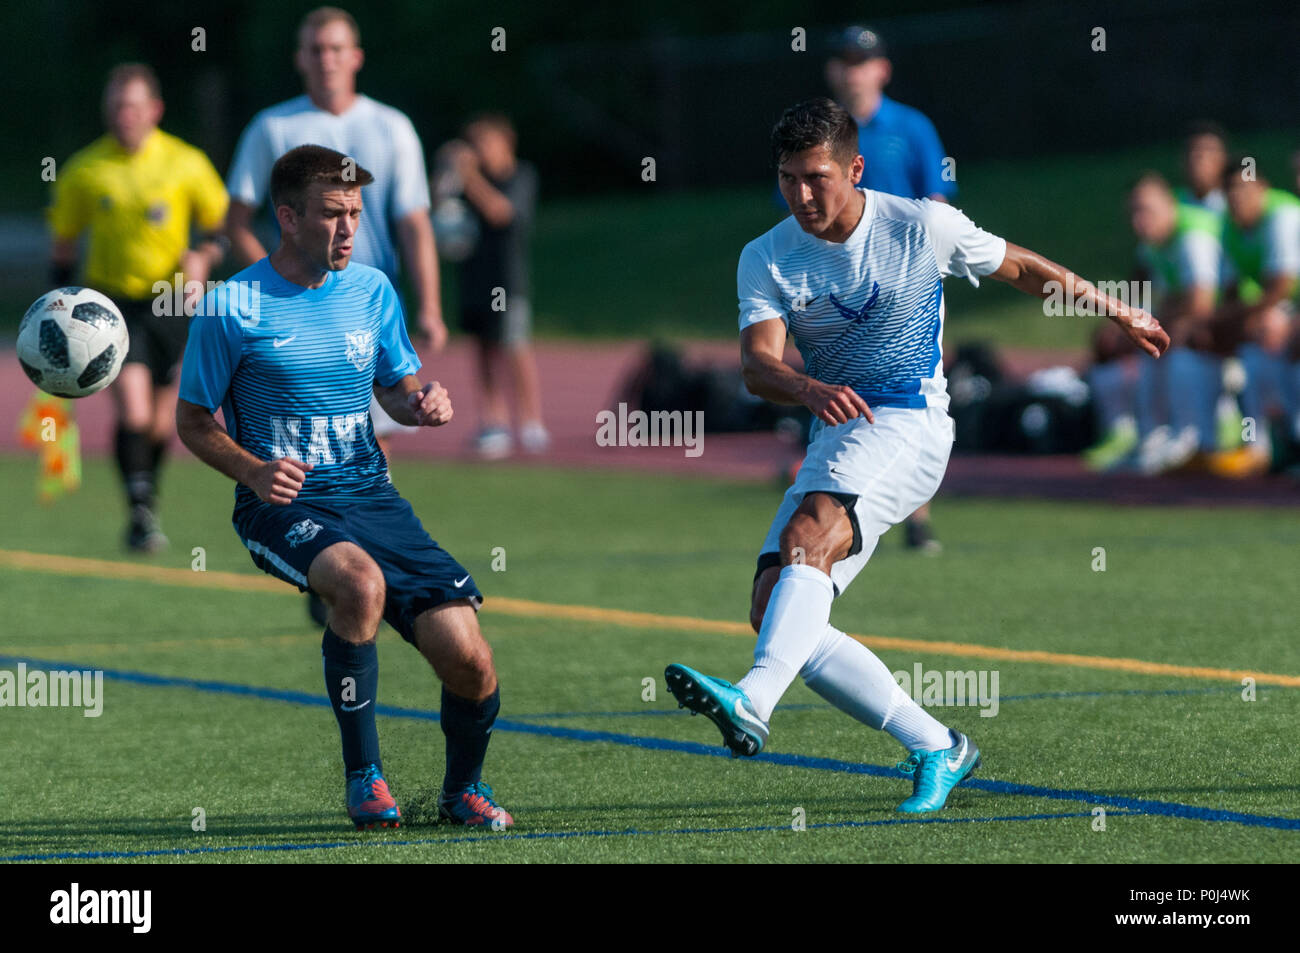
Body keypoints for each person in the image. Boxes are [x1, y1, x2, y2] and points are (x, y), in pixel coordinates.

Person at [665, 99, 1168, 814]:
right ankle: (938, 744)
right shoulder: (767, 254)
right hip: (837, 431)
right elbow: (756, 366)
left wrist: (1115, 308)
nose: (802, 195)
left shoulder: (920, 224)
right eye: (788, 179)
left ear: (855, 168)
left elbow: (1021, 269)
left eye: (817, 178)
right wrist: (808, 388)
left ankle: (753, 699)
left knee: (808, 541)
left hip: (910, 423)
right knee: (776, 609)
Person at [176, 145, 512, 830]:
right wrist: (253, 470)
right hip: (282, 504)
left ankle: (462, 791)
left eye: (355, 213)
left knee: (470, 659)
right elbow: (190, 421)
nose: (349, 229)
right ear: (288, 216)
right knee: (358, 585)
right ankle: (366, 778)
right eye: (333, 214)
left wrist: (420, 403)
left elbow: (395, 383)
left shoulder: (373, 290)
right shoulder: (231, 305)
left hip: (375, 498)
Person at [224, 5, 446, 621]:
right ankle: (328, 560)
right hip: (292, 314)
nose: (326, 58)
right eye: (315, 49)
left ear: (356, 56)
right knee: (305, 433)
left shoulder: (391, 126)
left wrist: (427, 304)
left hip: (368, 312)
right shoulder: (272, 127)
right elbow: (235, 220)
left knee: (372, 442)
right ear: (300, 58)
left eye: (336, 47)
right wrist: (269, 285)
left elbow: (414, 222)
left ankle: (351, 562)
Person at [47, 63, 228, 552]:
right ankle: (139, 511)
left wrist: (202, 257)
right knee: (133, 405)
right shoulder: (86, 168)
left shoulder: (185, 162)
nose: (122, 115)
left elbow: (219, 227)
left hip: (172, 302)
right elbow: (63, 241)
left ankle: (147, 503)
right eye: (115, 106)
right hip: (109, 305)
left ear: (155, 110)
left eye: (131, 105)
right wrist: (53, 308)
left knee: (160, 420)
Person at [825, 24, 955, 551]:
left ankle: (915, 518)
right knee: (836, 388)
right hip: (836, 283)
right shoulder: (821, 130)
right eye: (843, 60)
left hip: (903, 284)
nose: (851, 70)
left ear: (882, 69)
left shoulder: (910, 126)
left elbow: (939, 200)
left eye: (862, 60)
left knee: (907, 394)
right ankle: (841, 504)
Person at [437, 114, 548, 457]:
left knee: (515, 348)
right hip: (474, 280)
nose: (479, 151)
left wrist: (469, 177)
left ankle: (531, 422)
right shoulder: (467, 181)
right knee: (483, 351)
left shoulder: (519, 176)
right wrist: (446, 170)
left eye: (485, 142)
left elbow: (501, 213)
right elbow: (440, 209)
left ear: (505, 143)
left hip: (506, 283)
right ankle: (493, 423)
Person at [1126, 173, 1223, 473]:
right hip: (1215, 321)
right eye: (1133, 212)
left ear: (1170, 206)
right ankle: (1153, 437)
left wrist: (1153, 325)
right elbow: (1150, 290)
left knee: (1175, 348)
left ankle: (1195, 437)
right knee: (1149, 345)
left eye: (1146, 210)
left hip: (1236, 320)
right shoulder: (1154, 241)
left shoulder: (1192, 237)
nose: (1139, 221)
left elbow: (1202, 302)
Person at [1207, 164, 1300, 476]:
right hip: (1285, 311)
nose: (1236, 196)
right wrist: (1226, 323)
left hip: (1289, 312)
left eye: (1244, 187)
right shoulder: (1229, 227)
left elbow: (1281, 285)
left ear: (1263, 188)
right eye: (1229, 189)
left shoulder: (1283, 215)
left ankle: (1291, 437)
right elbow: (1231, 293)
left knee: (1275, 332)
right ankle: (1258, 444)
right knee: (1240, 341)